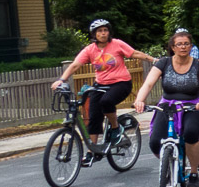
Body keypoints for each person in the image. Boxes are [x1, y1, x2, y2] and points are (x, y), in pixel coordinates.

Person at [51, 19, 155, 167]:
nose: (103, 33)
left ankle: (115, 128)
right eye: (99, 31)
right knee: (93, 115)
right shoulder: (90, 50)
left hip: (121, 83)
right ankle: (92, 150)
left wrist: (154, 60)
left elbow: (134, 53)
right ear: (94, 34)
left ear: (109, 32)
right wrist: (61, 79)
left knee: (106, 102)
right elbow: (75, 65)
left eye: (105, 30)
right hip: (100, 84)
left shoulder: (117, 44)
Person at [134, 29, 199, 187]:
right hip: (168, 105)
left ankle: (193, 173)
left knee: (192, 134)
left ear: (190, 46)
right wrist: (139, 100)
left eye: (186, 44)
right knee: (155, 142)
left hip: (193, 105)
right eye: (179, 44)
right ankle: (169, 164)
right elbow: (148, 84)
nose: (183, 47)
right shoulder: (164, 63)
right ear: (173, 47)